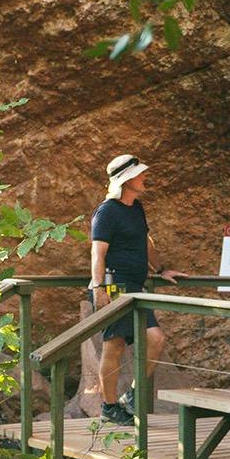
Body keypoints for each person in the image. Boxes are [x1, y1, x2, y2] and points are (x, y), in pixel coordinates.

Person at [88, 153, 176, 426]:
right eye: (140, 174)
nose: (145, 177)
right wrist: (99, 287)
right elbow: (97, 253)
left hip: (135, 288)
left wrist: (161, 269)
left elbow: (145, 242)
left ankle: (132, 396)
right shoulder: (106, 212)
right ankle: (109, 406)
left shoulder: (136, 207)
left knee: (156, 339)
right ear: (126, 180)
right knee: (113, 345)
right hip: (115, 286)